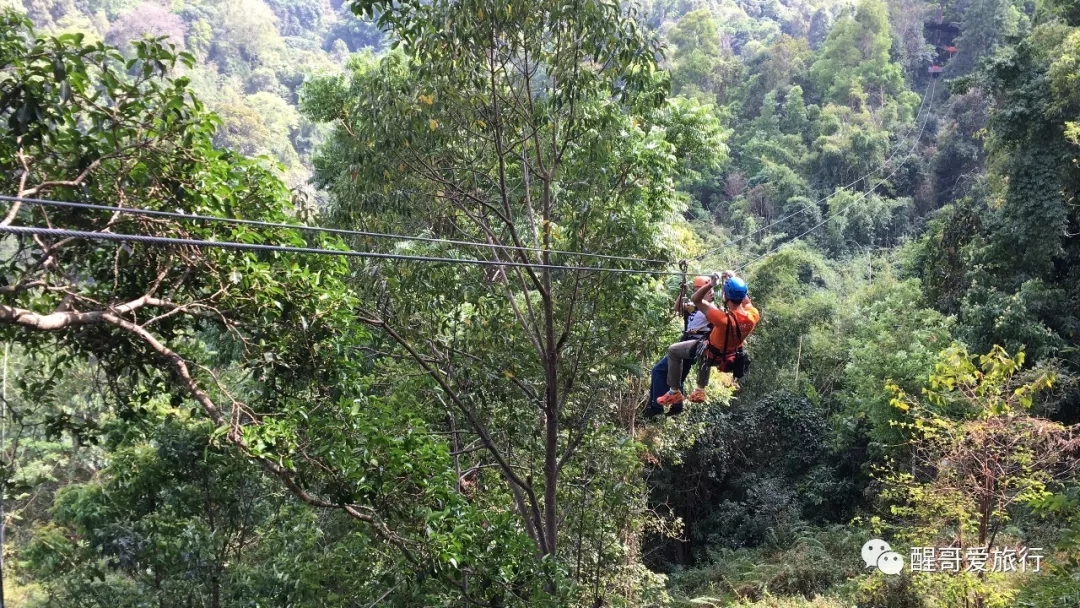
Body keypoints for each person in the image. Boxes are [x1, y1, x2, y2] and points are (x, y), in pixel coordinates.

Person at [656, 273, 760, 408]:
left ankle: (674, 391)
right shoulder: (753, 316)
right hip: (729, 355)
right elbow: (747, 302)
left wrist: (711, 284)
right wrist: (732, 279)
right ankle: (700, 390)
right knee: (706, 343)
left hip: (710, 353)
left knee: (673, 351)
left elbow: (696, 299)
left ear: (726, 297)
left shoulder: (723, 319)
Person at [644, 276, 715, 418]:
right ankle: (677, 405)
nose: (696, 294)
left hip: (696, 344)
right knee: (678, 375)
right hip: (687, 342)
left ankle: (656, 406)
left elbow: (710, 311)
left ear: (707, 291)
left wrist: (695, 304)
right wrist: (683, 293)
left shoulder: (710, 307)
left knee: (658, 370)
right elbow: (677, 308)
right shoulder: (694, 307)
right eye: (695, 291)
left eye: (698, 290)